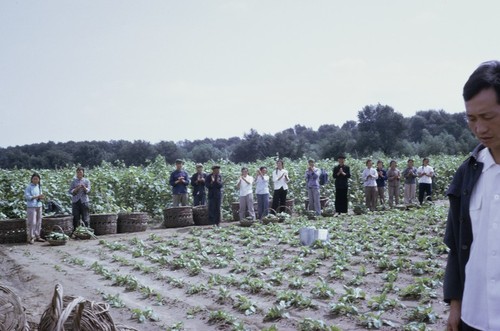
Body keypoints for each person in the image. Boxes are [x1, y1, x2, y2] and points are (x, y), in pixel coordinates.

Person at [444, 60, 500, 331]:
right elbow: (457, 245)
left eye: (488, 117)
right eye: (471, 119)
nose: (480, 129)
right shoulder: (467, 174)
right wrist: (456, 305)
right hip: (474, 316)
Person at [24, 173, 45, 244]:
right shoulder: (29, 187)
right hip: (31, 206)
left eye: (37, 179)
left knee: (39, 222)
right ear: (32, 179)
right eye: (34, 178)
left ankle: (37, 236)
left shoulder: (39, 186)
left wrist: (41, 197)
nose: (36, 180)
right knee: (32, 222)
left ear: (39, 180)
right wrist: (36, 196)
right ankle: (31, 237)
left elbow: (40, 195)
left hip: (39, 205)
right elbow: (27, 197)